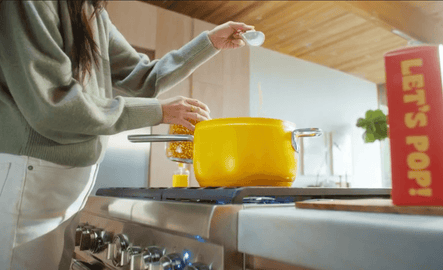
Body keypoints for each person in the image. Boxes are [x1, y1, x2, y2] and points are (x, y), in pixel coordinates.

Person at [0, 0, 254, 269]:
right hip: (30, 181)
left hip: (71, 185)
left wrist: (209, 43)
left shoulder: (91, 11)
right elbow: (52, 107)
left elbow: (142, 77)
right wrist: (159, 111)